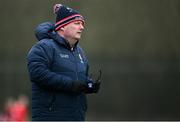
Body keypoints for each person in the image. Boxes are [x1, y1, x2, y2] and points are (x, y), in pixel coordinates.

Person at [27, 4, 101, 121]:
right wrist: (71, 85)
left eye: (82, 24)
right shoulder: (44, 47)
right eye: (77, 23)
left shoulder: (79, 51)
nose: (81, 27)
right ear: (62, 27)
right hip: (51, 117)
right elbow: (37, 74)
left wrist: (88, 85)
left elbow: (79, 79)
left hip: (77, 117)